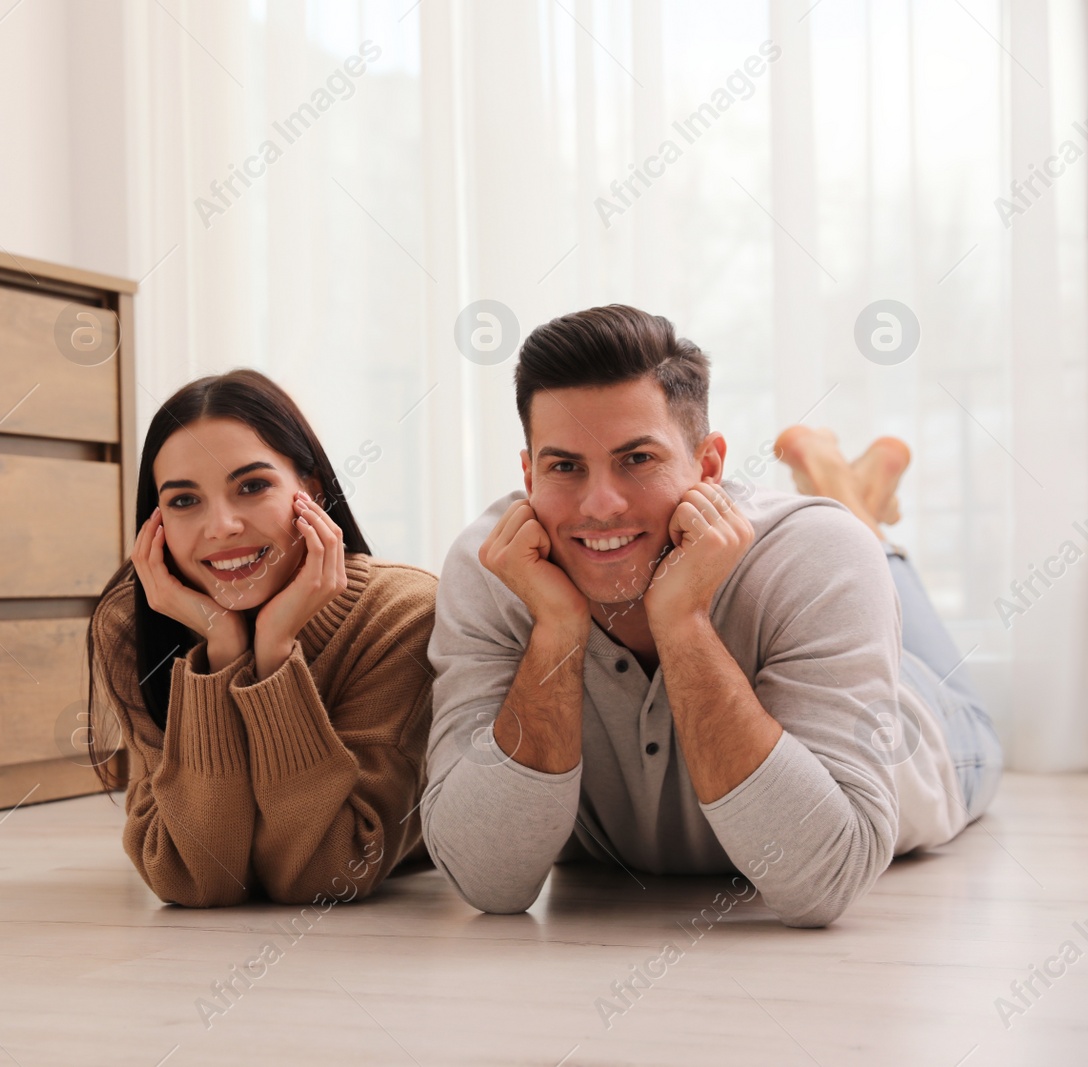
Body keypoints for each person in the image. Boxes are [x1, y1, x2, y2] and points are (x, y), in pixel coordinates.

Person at [421, 304, 1002, 927]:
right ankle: (841, 483)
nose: (600, 504)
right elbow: (488, 878)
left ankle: (853, 507)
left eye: (637, 459)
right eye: (564, 466)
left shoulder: (819, 555)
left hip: (922, 731)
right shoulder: (497, 566)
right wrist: (559, 630)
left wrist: (683, 624)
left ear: (709, 467)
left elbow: (820, 884)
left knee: (962, 713)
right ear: (528, 473)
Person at [85, 369, 437, 907]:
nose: (221, 525)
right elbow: (195, 877)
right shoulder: (134, 629)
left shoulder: (403, 616)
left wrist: (274, 656)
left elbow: (323, 873)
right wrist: (220, 650)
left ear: (311, 492)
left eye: (252, 486)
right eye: (184, 501)